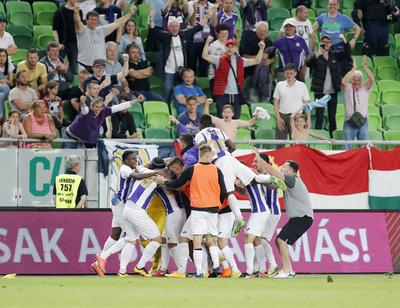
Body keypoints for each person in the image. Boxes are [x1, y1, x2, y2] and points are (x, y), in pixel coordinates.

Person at [194, 114, 286, 236]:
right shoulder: (219, 130)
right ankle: (271, 178)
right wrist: (226, 153)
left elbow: (204, 151)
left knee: (229, 192)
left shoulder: (199, 135)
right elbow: (233, 146)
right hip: (230, 157)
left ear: (200, 124)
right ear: (211, 123)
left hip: (219, 161)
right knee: (254, 177)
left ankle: (239, 219)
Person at [156, 144, 227, 278]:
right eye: (211, 155)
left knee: (196, 239)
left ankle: (199, 272)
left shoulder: (192, 170)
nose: (211, 157)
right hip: (213, 210)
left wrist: (163, 182)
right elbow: (223, 192)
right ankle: (216, 267)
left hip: (198, 210)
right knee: (211, 239)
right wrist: (216, 204)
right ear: (207, 155)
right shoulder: (217, 170)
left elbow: (176, 184)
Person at [92, 156, 164, 277]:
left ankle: (119, 269)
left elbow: (141, 168)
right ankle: (103, 258)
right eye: (132, 159)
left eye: (136, 159)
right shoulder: (126, 168)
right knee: (130, 238)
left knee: (125, 237)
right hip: (121, 204)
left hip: (125, 205)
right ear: (125, 161)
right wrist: (157, 172)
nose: (135, 162)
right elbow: (138, 176)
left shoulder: (141, 169)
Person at [258, 159, 314, 279]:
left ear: (291, 170)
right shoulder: (288, 182)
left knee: (281, 240)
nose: (281, 168)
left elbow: (274, 172)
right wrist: (257, 177)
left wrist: (261, 162)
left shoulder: (292, 179)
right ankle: (289, 270)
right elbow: (271, 185)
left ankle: (286, 270)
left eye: (284, 167)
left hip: (302, 217)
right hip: (300, 218)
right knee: (279, 241)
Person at [149, 9, 205, 101]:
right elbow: (153, 31)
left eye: (176, 26)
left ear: (179, 27)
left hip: (182, 70)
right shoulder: (165, 37)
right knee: (167, 91)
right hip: (169, 70)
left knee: (181, 92)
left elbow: (197, 28)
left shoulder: (184, 34)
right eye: (172, 26)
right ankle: (166, 108)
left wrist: (207, 17)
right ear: (168, 28)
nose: (174, 28)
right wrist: (151, 18)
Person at [202, 37, 265, 118]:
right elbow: (205, 56)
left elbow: (257, 61)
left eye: (232, 47)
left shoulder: (241, 61)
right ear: (225, 47)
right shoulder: (219, 60)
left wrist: (261, 49)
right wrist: (207, 43)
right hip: (223, 94)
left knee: (236, 119)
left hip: (236, 95)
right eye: (228, 46)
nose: (230, 49)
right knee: (221, 119)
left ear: (235, 48)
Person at [63, 95, 145, 148]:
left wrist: (136, 100)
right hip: (70, 137)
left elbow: (119, 107)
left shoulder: (103, 111)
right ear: (91, 106)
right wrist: (82, 102)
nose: (98, 109)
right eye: (96, 107)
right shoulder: (87, 112)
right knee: (66, 162)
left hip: (83, 140)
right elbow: (84, 108)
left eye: (100, 107)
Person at [74, 3, 137, 72]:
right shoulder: (82, 29)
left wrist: (130, 13)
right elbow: (77, 21)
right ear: (87, 20)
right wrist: (76, 12)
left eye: (96, 20)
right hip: (84, 66)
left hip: (100, 67)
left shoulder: (102, 30)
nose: (94, 22)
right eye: (91, 19)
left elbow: (118, 23)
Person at [306, 34, 342, 135]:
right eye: (323, 42)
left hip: (332, 91)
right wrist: (317, 55)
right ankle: (318, 137)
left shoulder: (335, 55)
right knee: (319, 116)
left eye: (327, 42)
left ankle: (332, 137)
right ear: (320, 43)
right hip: (320, 90)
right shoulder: (316, 55)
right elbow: (308, 63)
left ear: (330, 44)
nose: (325, 44)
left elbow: (346, 54)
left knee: (332, 116)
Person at [273, 63, 311, 148]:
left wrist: (308, 119)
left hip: (297, 118)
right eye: (287, 73)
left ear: (295, 73)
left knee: (295, 144)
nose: (289, 75)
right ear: (284, 73)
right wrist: (278, 118)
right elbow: (275, 103)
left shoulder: (302, 85)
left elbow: (307, 104)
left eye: (291, 73)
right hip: (282, 116)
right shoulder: (279, 85)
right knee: (280, 144)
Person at [341, 56, 374, 150]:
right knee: (347, 146)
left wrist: (365, 67)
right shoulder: (347, 88)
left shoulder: (365, 88)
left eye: (359, 80)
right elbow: (343, 81)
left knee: (363, 147)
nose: (357, 82)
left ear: (361, 80)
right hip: (349, 121)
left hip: (363, 121)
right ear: (351, 80)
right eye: (354, 80)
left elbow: (372, 79)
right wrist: (354, 68)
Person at [52, 0, 83, 74]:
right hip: (63, 43)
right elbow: (54, 30)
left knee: (73, 69)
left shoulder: (79, 11)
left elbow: (80, 28)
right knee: (58, 66)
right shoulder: (60, 12)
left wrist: (77, 12)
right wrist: (58, 43)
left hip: (74, 43)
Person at [187, 0, 214, 77]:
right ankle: (190, 85)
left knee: (204, 64)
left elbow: (213, 24)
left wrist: (213, 13)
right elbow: (191, 23)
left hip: (206, 38)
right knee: (191, 63)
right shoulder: (190, 4)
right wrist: (195, 10)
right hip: (193, 37)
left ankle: (202, 85)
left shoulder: (211, 6)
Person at [207, 23, 229, 92]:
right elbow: (209, 60)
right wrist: (222, 57)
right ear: (217, 33)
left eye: (226, 33)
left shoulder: (231, 44)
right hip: (215, 76)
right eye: (222, 33)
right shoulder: (213, 45)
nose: (224, 36)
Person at [0, 48, 13, 122]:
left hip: (4, 90)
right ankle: (9, 103)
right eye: (0, 56)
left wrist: (6, 81)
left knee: (1, 95)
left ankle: (1, 116)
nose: (2, 58)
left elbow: (11, 84)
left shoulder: (9, 66)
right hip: (3, 87)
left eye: (4, 56)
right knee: (4, 86)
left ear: (7, 57)